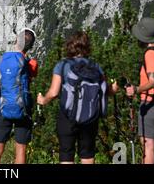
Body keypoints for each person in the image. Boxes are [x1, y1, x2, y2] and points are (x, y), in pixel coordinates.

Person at [37, 31, 118, 164]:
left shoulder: (62, 65)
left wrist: (43, 100)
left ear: (69, 46)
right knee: (87, 155)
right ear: (87, 47)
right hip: (90, 116)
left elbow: (54, 92)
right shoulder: (95, 67)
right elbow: (105, 90)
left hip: (67, 116)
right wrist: (114, 89)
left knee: (66, 154)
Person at [0, 28, 38, 164]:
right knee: (21, 149)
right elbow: (29, 79)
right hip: (23, 109)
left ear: (16, 40)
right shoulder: (32, 64)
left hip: (3, 107)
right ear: (31, 46)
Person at [125, 17, 154, 164]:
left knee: (148, 144)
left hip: (151, 103)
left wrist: (136, 89)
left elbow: (152, 81)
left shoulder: (150, 54)